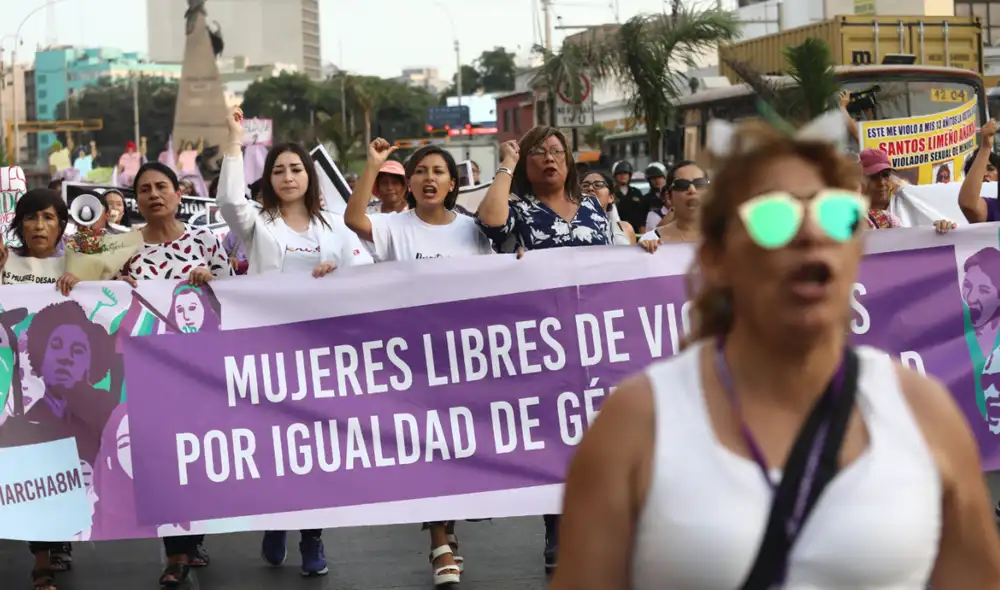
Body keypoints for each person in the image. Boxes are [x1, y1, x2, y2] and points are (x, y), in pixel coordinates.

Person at [550, 118, 1000, 590]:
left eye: (836, 214)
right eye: (772, 218)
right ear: (716, 258)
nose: (809, 235)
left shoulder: (921, 412)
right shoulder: (639, 423)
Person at [345, 139, 491, 587]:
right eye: (421, 171)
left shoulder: (473, 231)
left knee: (457, 451)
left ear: (453, 184)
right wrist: (371, 167)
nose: (430, 178)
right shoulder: (394, 226)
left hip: (462, 360)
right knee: (428, 450)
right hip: (409, 362)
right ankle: (441, 543)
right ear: (409, 183)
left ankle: (448, 528)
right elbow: (354, 220)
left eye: (439, 172)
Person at [477, 127, 612, 574]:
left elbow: (617, 263)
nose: (550, 159)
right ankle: (557, 526)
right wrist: (505, 164)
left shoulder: (594, 208)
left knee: (598, 440)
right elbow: (491, 225)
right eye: (539, 153)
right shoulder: (520, 209)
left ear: (570, 160)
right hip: (546, 345)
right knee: (557, 440)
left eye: (557, 152)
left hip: (598, 342)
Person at [114, 161, 232, 588]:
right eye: (144, 189)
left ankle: (192, 537)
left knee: (194, 459)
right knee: (161, 460)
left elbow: (234, 297)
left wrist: (210, 281)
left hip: (201, 371)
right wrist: (111, 283)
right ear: (136, 200)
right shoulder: (123, 248)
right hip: (147, 372)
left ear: (179, 193)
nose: (153, 195)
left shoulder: (205, 241)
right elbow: (101, 300)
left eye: (161, 186)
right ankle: (176, 552)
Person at [217, 107, 369, 281]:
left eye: (296, 170)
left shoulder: (337, 225)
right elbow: (229, 200)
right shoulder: (255, 222)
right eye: (278, 171)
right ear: (269, 179)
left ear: (310, 176)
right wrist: (235, 139)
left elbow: (358, 276)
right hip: (269, 307)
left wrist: (336, 272)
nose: (288, 178)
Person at [647, 161, 708, 244]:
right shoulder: (650, 241)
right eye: (682, 184)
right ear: (669, 196)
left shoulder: (727, 239)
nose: (692, 190)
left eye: (700, 183)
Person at [958, 119, 1000, 223]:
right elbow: (968, 204)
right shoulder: (993, 208)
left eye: (990, 169)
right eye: (980, 171)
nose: (985, 174)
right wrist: (986, 147)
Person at [580, 170, 634, 245]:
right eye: (585, 186)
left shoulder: (625, 228)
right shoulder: (569, 228)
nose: (590, 188)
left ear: (611, 197)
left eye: (598, 185)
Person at [858, 148, 903, 228]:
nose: (882, 183)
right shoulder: (854, 219)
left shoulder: (903, 206)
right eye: (873, 177)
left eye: (885, 175)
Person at [610, 160, 646, 233]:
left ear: (629, 175)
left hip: (636, 232)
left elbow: (642, 215)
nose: (623, 176)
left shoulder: (636, 192)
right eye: (620, 173)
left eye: (625, 173)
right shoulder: (611, 193)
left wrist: (642, 233)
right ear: (615, 176)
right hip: (617, 232)